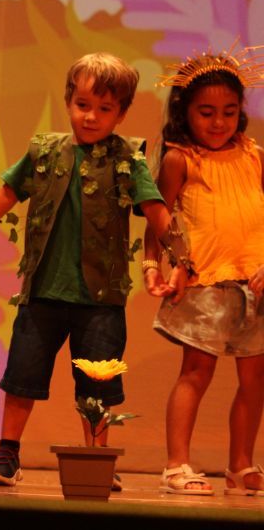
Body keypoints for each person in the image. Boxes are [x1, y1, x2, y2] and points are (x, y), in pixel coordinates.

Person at [0, 53, 178, 488]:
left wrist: (183, 259)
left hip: (101, 300)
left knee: (97, 385)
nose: (91, 116)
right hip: (43, 292)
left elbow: (155, 209)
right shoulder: (44, 151)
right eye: (82, 105)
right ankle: (7, 453)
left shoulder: (127, 159)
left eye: (104, 108)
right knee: (22, 377)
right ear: (68, 101)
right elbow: (6, 193)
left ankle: (96, 458)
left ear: (121, 113)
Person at [144, 49, 264, 496]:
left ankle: (241, 465)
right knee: (196, 372)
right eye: (207, 113)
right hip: (204, 283)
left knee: (255, 379)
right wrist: (152, 265)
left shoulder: (255, 156)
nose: (219, 123)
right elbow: (157, 219)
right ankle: (176, 464)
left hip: (255, 285)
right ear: (185, 111)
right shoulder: (181, 159)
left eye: (229, 112)